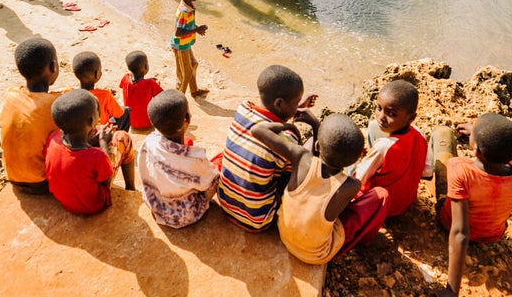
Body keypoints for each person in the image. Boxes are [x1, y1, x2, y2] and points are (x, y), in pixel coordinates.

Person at [252, 113, 390, 264]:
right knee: (381, 194)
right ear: (356, 159)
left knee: (307, 143)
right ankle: (365, 241)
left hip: (284, 234)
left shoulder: (301, 157)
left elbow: (258, 130)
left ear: (318, 146)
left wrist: (289, 126)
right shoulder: (351, 186)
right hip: (315, 255)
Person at [431, 113, 512, 297]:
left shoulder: (459, 168)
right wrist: (477, 135)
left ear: (475, 149)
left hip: (449, 223)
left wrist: (452, 292)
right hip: (494, 233)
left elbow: (460, 233)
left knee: (443, 133)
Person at [216, 65, 318, 232]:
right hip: (258, 220)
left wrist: (293, 106)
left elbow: (268, 118)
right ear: (279, 103)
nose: (298, 106)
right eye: (295, 102)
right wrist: (313, 126)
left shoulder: (243, 108)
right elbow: (299, 167)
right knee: (300, 161)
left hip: (226, 203)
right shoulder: (288, 137)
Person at [44, 90, 135, 215]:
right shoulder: (97, 156)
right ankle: (131, 188)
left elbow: (72, 157)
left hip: (64, 200)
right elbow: (106, 180)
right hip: (94, 205)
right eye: (98, 111)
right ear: (92, 120)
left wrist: (91, 142)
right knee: (123, 138)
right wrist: (102, 142)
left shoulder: (53, 139)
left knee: (97, 133)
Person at [139, 89, 220, 228]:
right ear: (187, 119)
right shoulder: (195, 160)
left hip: (156, 205)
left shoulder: (148, 142)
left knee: (187, 142)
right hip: (187, 215)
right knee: (220, 164)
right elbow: (210, 181)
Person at [353, 80, 432, 218]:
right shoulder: (419, 136)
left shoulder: (383, 147)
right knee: (373, 125)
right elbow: (427, 173)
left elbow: (358, 180)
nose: (381, 117)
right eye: (379, 108)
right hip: (405, 203)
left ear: (411, 117)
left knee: (350, 162)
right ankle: (379, 166)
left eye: (391, 114)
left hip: (381, 207)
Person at [0, 37, 65, 194]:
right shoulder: (55, 105)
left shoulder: (11, 94)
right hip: (42, 183)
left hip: (13, 177)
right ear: (53, 67)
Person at [72, 51, 131, 131]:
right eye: (100, 69)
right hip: (102, 132)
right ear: (96, 74)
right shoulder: (105, 95)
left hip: (83, 133)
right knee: (126, 110)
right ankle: (117, 138)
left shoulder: (72, 94)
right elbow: (119, 113)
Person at [171, 0, 208, 98]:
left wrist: (197, 29)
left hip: (186, 42)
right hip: (180, 45)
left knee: (194, 64)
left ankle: (194, 91)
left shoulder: (190, 5)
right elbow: (178, 32)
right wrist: (196, 30)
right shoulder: (184, 11)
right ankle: (178, 98)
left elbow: (188, 24)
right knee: (185, 72)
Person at [119, 50, 163, 129]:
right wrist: (156, 85)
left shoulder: (125, 78)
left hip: (130, 121)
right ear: (146, 67)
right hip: (147, 123)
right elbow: (162, 96)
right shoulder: (150, 83)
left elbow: (125, 86)